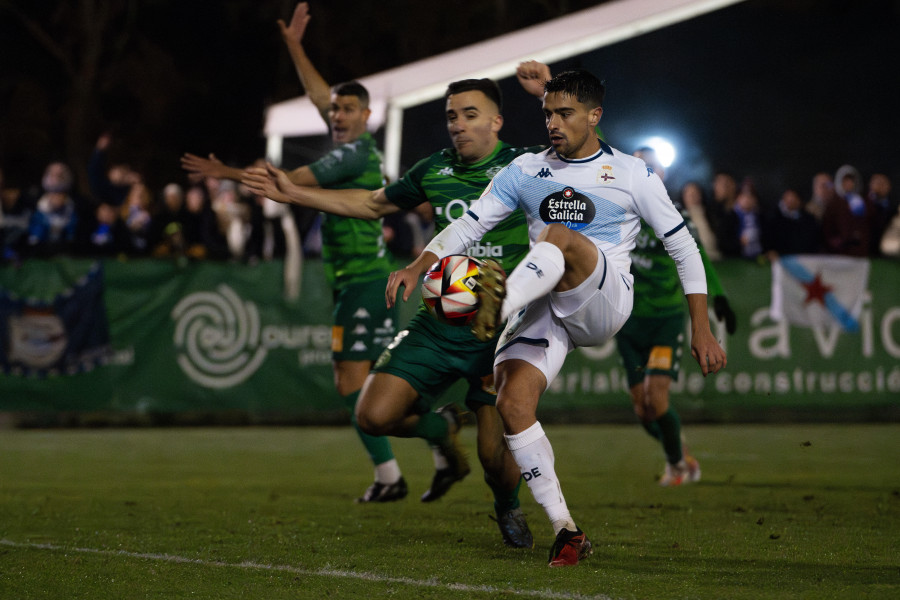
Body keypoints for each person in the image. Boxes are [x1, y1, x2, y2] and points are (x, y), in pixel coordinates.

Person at [383, 69, 726, 567]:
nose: (553, 123)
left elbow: (682, 246)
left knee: (558, 235)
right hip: (547, 304)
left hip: (605, 298)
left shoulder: (631, 173)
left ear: (594, 116)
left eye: (564, 113)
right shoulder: (524, 170)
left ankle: (498, 305)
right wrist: (419, 265)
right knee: (512, 399)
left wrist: (701, 326)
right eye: (547, 113)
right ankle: (566, 530)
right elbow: (470, 224)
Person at [242, 64, 556, 548]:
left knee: (496, 461)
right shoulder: (434, 169)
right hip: (440, 319)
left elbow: (593, 159)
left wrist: (549, 92)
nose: (457, 124)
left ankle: (507, 506)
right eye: (451, 115)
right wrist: (295, 192)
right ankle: (443, 424)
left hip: (503, 327)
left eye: (470, 114)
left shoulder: (529, 164)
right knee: (373, 414)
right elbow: (371, 204)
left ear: (496, 122)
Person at [182, 2, 404, 503]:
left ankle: (397, 470)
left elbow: (286, 184)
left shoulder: (350, 153)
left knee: (355, 387)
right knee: (374, 386)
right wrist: (295, 46)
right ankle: (431, 446)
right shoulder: (350, 140)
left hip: (364, 281)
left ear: (366, 116)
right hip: (357, 280)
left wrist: (229, 176)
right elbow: (322, 96)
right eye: (335, 110)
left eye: (347, 110)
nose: (336, 114)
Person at [619, 149, 736, 487]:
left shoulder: (674, 212)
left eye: (651, 166)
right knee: (643, 410)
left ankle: (678, 466)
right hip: (627, 322)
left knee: (657, 398)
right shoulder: (616, 209)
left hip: (665, 321)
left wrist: (721, 298)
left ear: (661, 175)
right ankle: (680, 454)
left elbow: (697, 257)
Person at [821, 164, 872, 256]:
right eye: (845, 181)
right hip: (839, 253)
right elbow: (827, 228)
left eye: (851, 181)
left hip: (859, 252)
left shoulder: (861, 202)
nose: (848, 184)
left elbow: (866, 224)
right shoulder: (834, 203)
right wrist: (836, 242)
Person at [761, 187, 821, 257]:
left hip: (804, 259)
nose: (791, 199)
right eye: (788, 196)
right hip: (780, 258)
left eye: (794, 196)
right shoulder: (772, 217)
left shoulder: (809, 219)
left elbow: (814, 241)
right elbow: (767, 240)